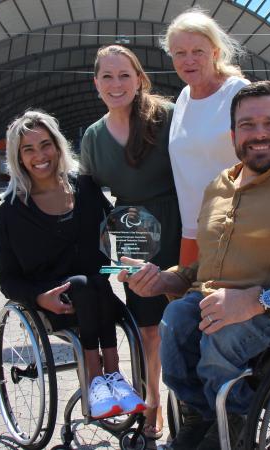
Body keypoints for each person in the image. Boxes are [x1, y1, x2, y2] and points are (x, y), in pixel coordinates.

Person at [120, 81, 270, 449]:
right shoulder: (219, 185)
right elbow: (205, 267)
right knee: (175, 321)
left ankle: (236, 432)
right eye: (248, 125)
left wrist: (255, 300)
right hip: (217, 304)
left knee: (223, 335)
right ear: (234, 135)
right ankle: (203, 417)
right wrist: (165, 282)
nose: (259, 134)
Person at [0, 110, 146, 420]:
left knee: (96, 280)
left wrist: (135, 259)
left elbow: (117, 225)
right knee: (83, 284)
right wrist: (38, 297)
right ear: (18, 157)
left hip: (100, 297)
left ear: (58, 146)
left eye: (45, 144)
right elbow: (8, 280)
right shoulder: (11, 212)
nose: (40, 156)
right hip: (55, 305)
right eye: (29, 149)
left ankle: (112, 377)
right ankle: (97, 375)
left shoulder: (85, 188)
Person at [161, 8, 270, 267]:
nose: (189, 60)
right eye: (180, 53)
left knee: (226, 303)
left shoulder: (236, 91)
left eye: (198, 51)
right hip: (193, 229)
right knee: (188, 301)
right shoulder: (184, 97)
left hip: (238, 225)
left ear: (215, 53)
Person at [80, 44, 181, 438]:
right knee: (147, 328)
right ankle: (152, 403)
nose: (116, 83)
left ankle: (190, 404)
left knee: (189, 318)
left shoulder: (168, 117)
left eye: (125, 75)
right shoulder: (92, 137)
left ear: (139, 79)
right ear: (96, 84)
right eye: (107, 76)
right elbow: (87, 197)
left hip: (181, 221)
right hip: (131, 233)